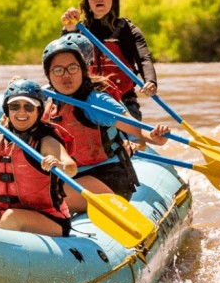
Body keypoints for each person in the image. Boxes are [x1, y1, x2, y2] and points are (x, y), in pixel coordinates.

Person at [42, 36, 171, 213]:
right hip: (73, 177)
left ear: (83, 70)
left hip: (108, 178)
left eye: (72, 68)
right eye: (58, 70)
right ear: (48, 75)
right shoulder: (48, 99)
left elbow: (137, 129)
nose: (66, 75)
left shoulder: (96, 101)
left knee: (43, 198)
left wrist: (154, 137)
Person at [0, 79, 77, 237]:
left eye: (29, 107)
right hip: (6, 215)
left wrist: (59, 165)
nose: (21, 112)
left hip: (49, 219)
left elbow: (71, 167)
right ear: (7, 110)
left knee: (12, 218)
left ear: (39, 111)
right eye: (15, 106)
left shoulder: (45, 141)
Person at [61, 0, 158, 120]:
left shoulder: (128, 30)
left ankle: (136, 141)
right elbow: (61, 60)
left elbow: (144, 58)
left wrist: (150, 81)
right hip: (87, 102)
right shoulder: (78, 31)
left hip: (124, 101)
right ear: (87, 0)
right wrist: (67, 31)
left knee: (134, 141)